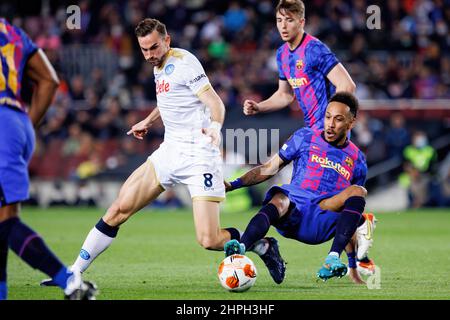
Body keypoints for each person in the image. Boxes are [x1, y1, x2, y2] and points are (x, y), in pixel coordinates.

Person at [42, 18, 241, 282]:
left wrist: (215, 127)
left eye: (154, 47)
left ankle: (257, 243)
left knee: (209, 239)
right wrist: (147, 121)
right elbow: (171, 99)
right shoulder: (158, 66)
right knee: (117, 210)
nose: (149, 55)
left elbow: (215, 101)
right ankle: (74, 272)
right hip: (169, 152)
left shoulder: (185, 62)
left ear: (167, 40)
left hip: (199, 156)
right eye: (144, 49)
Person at [225, 92, 375, 284]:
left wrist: (353, 265)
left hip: (322, 214)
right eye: (328, 116)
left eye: (338, 120)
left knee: (358, 192)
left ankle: (332, 259)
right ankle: (240, 250)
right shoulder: (305, 137)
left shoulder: (357, 159)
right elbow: (269, 168)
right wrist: (233, 184)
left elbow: (350, 217)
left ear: (351, 123)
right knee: (279, 198)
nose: (330, 124)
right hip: (294, 210)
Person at [0, 18, 97, 300]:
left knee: (6, 224)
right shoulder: (11, 32)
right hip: (16, 121)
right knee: (3, 220)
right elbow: (49, 80)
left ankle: (68, 280)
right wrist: (25, 126)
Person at [242, 0, 356, 131]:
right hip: (311, 129)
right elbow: (285, 95)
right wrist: (259, 107)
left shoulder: (314, 49)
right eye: (279, 20)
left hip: (328, 132)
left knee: (280, 152)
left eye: (289, 20)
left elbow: (347, 85)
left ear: (301, 22)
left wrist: (331, 123)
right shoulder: (282, 54)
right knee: (278, 152)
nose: (283, 26)